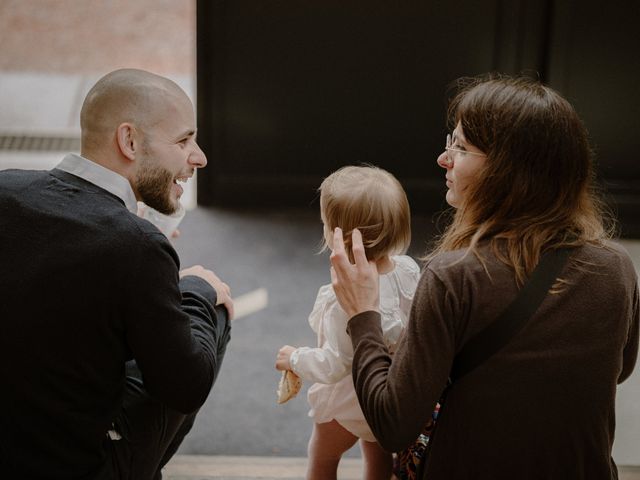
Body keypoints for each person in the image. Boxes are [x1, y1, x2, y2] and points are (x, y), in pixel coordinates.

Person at [329, 76, 639, 479]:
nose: (444, 159)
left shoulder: (454, 277)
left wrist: (362, 314)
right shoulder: (617, 266)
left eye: (460, 147)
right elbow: (619, 369)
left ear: (509, 170)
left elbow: (392, 425)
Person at [0, 69, 234, 479]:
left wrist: (138, 232)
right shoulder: (137, 247)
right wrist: (196, 289)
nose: (199, 157)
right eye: (183, 140)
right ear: (129, 141)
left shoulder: (6, 190)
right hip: (74, 465)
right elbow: (186, 387)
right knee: (210, 312)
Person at [275, 165, 420, 480]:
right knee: (378, 455)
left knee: (323, 456)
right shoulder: (408, 270)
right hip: (387, 395)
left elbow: (335, 364)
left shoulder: (349, 300)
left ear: (337, 237)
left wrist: (294, 357)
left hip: (347, 403)